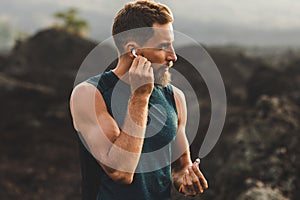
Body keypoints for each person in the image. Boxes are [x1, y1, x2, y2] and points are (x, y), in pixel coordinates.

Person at [69, 0, 208, 199]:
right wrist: (140, 97)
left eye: (172, 45)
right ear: (133, 51)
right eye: (163, 47)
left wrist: (187, 180)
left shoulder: (175, 97)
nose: (173, 56)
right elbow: (121, 172)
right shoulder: (90, 95)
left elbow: (179, 168)